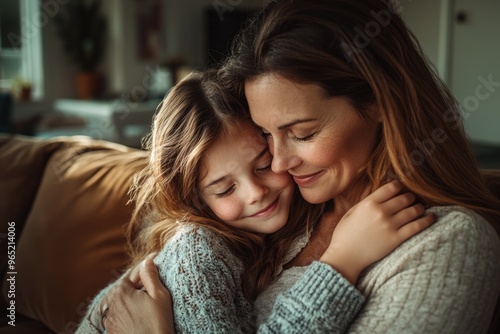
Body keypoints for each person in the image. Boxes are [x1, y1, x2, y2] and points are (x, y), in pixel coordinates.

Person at [96, 0, 500, 333]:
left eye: (302, 133)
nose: (280, 163)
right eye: (267, 136)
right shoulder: (276, 218)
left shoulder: (447, 243)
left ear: (380, 101)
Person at [76, 70, 433, 333]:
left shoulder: (269, 233)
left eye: (263, 165)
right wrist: (341, 263)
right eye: (225, 190)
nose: (255, 192)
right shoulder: (198, 253)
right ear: (197, 201)